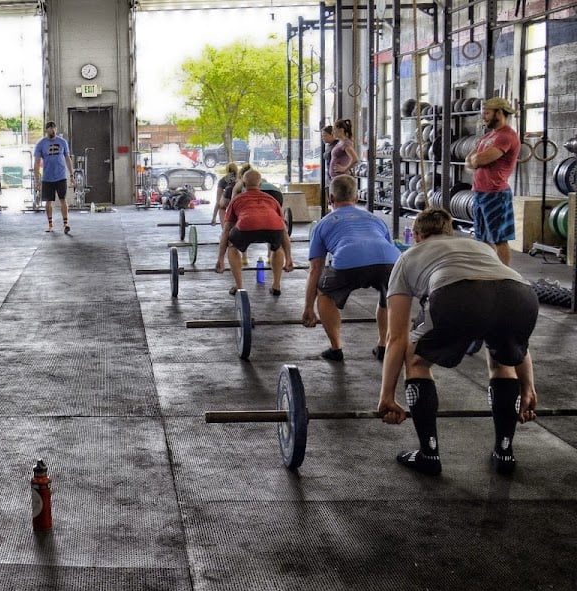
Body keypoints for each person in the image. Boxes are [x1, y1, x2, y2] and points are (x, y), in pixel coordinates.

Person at [378, 207, 538, 477]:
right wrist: (528, 387)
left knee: (416, 359)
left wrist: (386, 397)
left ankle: (429, 454)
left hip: (458, 296)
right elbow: (517, 346)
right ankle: (505, 451)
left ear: (416, 235)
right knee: (502, 361)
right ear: (450, 231)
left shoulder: (407, 257)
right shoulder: (482, 247)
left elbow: (396, 337)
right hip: (520, 294)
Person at [300, 175, 402, 362]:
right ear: (356, 199)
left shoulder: (323, 224)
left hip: (348, 262)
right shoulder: (375, 219)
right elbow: (387, 248)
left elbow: (316, 269)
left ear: (330, 198)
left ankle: (336, 348)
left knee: (324, 292)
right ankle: (383, 345)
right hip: (390, 260)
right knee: (387, 296)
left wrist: (308, 307)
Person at [215, 169, 294, 296]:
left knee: (232, 245)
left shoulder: (236, 199)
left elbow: (226, 230)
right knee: (277, 246)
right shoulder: (272, 200)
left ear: (244, 185)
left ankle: (239, 287)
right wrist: (289, 258)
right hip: (273, 227)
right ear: (260, 185)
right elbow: (284, 231)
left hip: (247, 226)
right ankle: (276, 286)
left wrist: (220, 259)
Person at [465, 96, 521, 266]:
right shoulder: (487, 137)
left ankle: (505, 276)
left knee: (499, 239)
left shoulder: (506, 136)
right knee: (482, 238)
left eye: (487, 113)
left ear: (499, 113)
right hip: (479, 193)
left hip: (496, 194)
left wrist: (476, 160)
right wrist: (475, 160)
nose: (484, 117)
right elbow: (468, 160)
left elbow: (479, 160)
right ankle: (489, 271)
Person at [33, 121, 76, 234]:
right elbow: (37, 163)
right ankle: (50, 224)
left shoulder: (62, 142)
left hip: (61, 176)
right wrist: (37, 180)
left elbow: (68, 158)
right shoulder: (41, 144)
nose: (52, 131)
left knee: (63, 200)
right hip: (47, 178)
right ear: (46, 130)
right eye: (50, 129)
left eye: (54, 129)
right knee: (48, 202)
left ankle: (66, 224)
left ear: (56, 129)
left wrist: (72, 175)